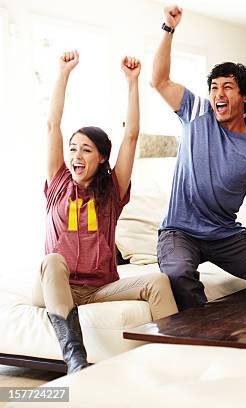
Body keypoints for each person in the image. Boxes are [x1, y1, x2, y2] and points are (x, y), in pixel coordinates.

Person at [33, 51, 178, 374]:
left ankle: (175, 355)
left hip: (99, 288)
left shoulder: (111, 192)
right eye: (73, 148)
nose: (76, 155)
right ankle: (75, 358)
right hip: (59, 286)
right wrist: (63, 73)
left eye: (86, 149)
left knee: (157, 281)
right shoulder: (58, 181)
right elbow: (52, 123)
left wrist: (132, 83)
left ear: (101, 158)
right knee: (52, 260)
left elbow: (131, 136)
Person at [151, 5, 246, 311]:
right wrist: (168, 28)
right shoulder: (197, 112)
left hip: (224, 234)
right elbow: (160, 81)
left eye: (227, 87)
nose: (218, 93)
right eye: (214, 87)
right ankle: (204, 339)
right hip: (179, 231)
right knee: (178, 272)